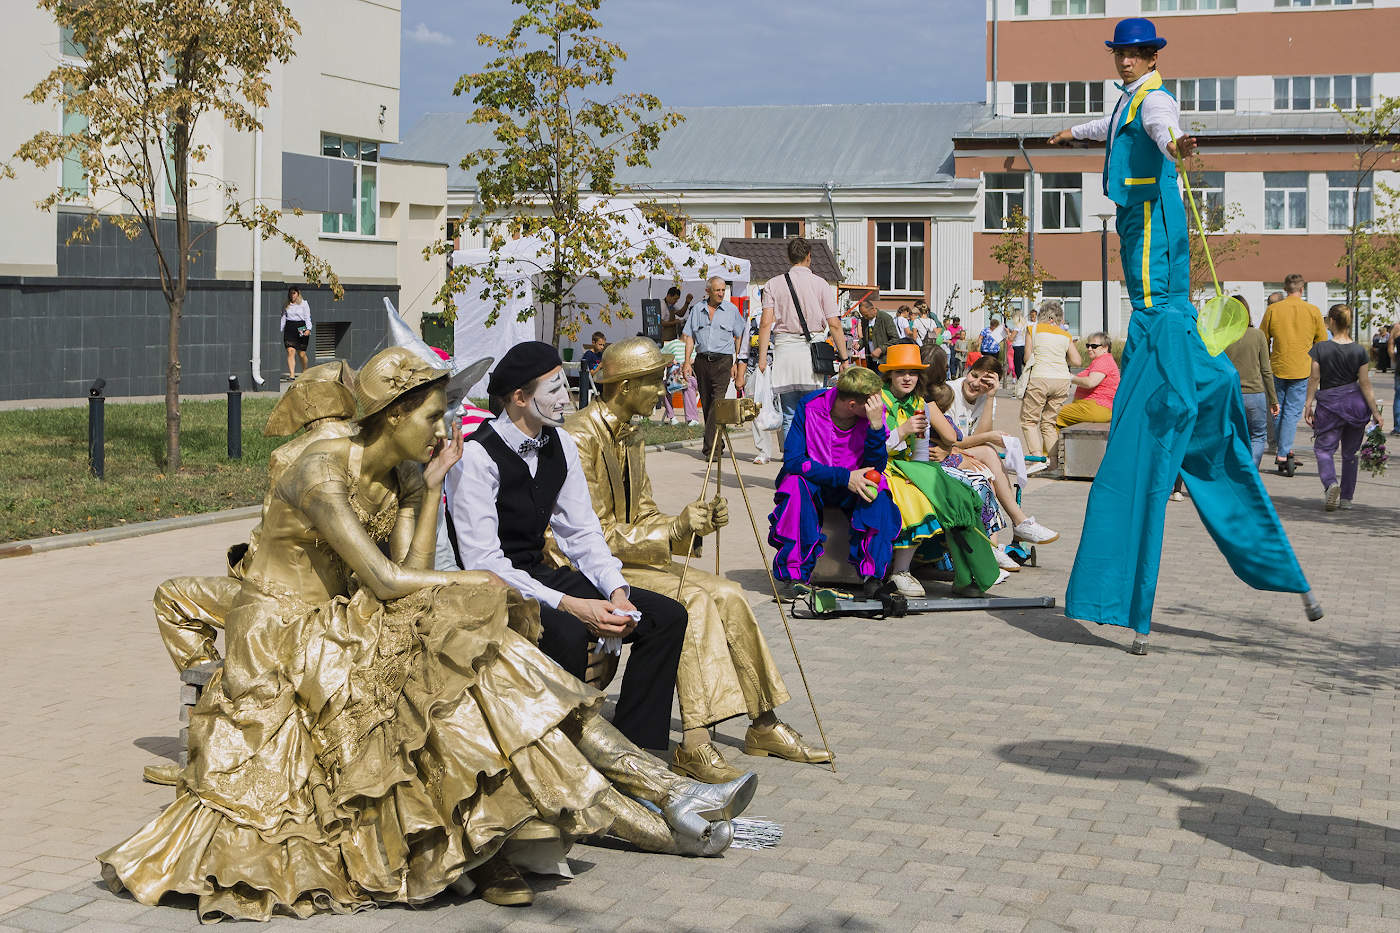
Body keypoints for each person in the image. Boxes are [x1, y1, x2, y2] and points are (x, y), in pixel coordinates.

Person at [102, 347, 758, 919]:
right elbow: (388, 580)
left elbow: (408, 569)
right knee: (472, 658)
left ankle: (671, 797)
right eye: (432, 416)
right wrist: (475, 581)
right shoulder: (320, 472)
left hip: (348, 617)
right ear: (393, 414)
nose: (443, 429)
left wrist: (429, 489)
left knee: (495, 662)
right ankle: (660, 816)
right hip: (282, 630)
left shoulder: (407, 470)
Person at [1048, 16, 1315, 653]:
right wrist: (1071, 134)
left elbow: (1160, 127)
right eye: (1121, 53)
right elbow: (1109, 126)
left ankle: (1177, 362)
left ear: (1150, 57)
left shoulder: (1157, 100)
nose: (1126, 62)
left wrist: (1177, 145)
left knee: (1157, 306)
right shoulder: (1126, 100)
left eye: (1135, 54)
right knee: (1156, 311)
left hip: (1157, 249)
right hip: (1145, 244)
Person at [568, 337, 830, 780]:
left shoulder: (632, 432)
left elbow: (643, 514)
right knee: (693, 601)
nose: (663, 391)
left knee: (730, 593)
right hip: (590, 568)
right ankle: (695, 742)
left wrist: (689, 524)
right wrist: (673, 530)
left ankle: (763, 722)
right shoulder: (579, 437)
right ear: (626, 386)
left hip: (628, 557)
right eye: (655, 382)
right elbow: (593, 536)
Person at [445, 342, 687, 754]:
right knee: (568, 631)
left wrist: (616, 592)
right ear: (520, 398)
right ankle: (564, 754)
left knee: (665, 617)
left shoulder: (559, 442)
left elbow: (582, 533)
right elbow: (483, 562)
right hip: (492, 588)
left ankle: (635, 751)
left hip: (538, 573)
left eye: (566, 386)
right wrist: (573, 606)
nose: (567, 399)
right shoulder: (476, 457)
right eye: (554, 389)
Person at [877, 343, 1002, 598]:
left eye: (913, 373)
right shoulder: (878, 402)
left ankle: (969, 574)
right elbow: (871, 446)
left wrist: (926, 474)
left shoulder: (919, 403)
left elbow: (921, 450)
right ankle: (901, 571)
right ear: (889, 375)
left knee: (962, 496)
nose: (907, 378)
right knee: (916, 498)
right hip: (882, 465)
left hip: (912, 466)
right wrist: (903, 430)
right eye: (901, 372)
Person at [768, 366, 902, 596]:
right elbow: (793, 460)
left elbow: (876, 466)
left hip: (855, 485)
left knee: (879, 492)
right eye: (873, 401)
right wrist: (843, 477)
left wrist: (876, 428)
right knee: (793, 485)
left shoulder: (873, 416)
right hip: (817, 481)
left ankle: (872, 576)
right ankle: (794, 575)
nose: (879, 406)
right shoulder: (810, 405)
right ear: (852, 405)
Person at [927, 354, 1059, 572]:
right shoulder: (949, 392)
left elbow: (979, 435)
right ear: (967, 371)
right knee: (987, 456)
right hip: (942, 453)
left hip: (956, 451)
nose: (976, 383)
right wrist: (985, 439)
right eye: (974, 375)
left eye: (985, 382)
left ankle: (997, 542)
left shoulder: (986, 397)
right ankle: (1014, 527)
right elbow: (953, 439)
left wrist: (989, 397)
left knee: (987, 465)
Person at [757, 236, 852, 443]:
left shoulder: (773, 284)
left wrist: (762, 359)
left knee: (789, 414)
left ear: (789, 257)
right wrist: (844, 359)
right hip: (813, 356)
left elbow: (765, 323)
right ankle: (813, 455)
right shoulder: (821, 284)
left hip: (785, 354)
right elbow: (835, 324)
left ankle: (792, 457)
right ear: (809, 256)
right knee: (815, 411)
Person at [1306, 304, 1384, 510]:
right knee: (1350, 454)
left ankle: (1331, 484)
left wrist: (1308, 403)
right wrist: (1375, 412)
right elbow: (1365, 383)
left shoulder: (1320, 348)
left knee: (1324, 449)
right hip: (1355, 406)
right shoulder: (1359, 351)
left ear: (1332, 321)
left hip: (1329, 406)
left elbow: (1314, 378)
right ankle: (1347, 498)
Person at [1260, 273, 1327, 476]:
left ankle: (1284, 448)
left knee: (1277, 410)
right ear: (1302, 289)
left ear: (1285, 288)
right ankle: (1283, 452)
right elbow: (1321, 342)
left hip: (1277, 366)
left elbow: (1263, 339)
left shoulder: (1273, 310)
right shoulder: (1313, 311)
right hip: (1302, 368)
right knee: (1291, 413)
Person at [683, 277, 746, 459]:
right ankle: (717, 443)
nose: (721, 293)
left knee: (717, 403)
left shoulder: (731, 310)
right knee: (707, 404)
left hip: (723, 361)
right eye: (717, 290)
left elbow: (739, 337)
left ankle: (710, 449)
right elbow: (689, 337)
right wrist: (687, 362)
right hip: (702, 361)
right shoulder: (697, 309)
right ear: (708, 291)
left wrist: (737, 362)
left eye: (723, 290)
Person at [1018, 300, 1081, 468]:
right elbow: (1077, 360)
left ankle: (1037, 457)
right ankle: (1053, 462)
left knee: (1029, 420)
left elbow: (1027, 357)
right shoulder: (1065, 335)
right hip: (1061, 380)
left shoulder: (1033, 329)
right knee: (1049, 422)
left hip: (1040, 378)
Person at [1220, 297, 1277, 468]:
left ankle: (1236, 470)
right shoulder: (1258, 335)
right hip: (1255, 394)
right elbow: (1266, 370)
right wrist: (1273, 399)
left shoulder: (1221, 335)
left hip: (1230, 395)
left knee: (1234, 435)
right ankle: (1250, 469)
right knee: (1258, 435)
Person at [660, 334, 702, 426]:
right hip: (674, 378)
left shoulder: (695, 345)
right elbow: (660, 356)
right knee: (662, 387)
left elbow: (700, 360)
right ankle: (672, 417)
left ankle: (691, 419)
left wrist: (690, 362)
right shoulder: (673, 344)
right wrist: (670, 361)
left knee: (687, 383)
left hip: (691, 377)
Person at [280, 286, 312, 379]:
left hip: (301, 327)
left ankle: (305, 370)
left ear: (298, 294)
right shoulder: (286, 304)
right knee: (290, 351)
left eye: (294, 293)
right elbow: (283, 317)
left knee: (301, 353)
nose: (292, 295)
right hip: (290, 328)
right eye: (290, 293)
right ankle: (292, 374)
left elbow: (307, 317)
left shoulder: (304, 304)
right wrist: (281, 328)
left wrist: (308, 329)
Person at [857, 299, 900, 367]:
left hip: (884, 360)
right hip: (870, 361)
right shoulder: (865, 320)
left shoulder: (885, 318)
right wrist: (859, 344)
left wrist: (880, 349)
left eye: (866, 315)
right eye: (863, 315)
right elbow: (866, 338)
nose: (865, 317)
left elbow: (895, 339)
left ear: (873, 309)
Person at [578, 331, 607, 408]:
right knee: (606, 387)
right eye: (600, 344)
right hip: (589, 383)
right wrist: (600, 366)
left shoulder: (600, 354)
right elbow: (590, 374)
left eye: (603, 345)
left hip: (598, 381)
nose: (602, 347)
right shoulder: (588, 355)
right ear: (593, 343)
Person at [1009, 309, 1037, 378]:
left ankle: (1020, 381)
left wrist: (1007, 332)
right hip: (1024, 346)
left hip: (1017, 348)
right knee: (1026, 365)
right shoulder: (1025, 324)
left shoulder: (1017, 326)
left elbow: (1011, 338)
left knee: (1018, 368)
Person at [1388, 320, 1400, 436]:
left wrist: (1395, 360)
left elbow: (1390, 348)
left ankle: (1398, 427)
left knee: (1399, 397)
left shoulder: (1397, 328)